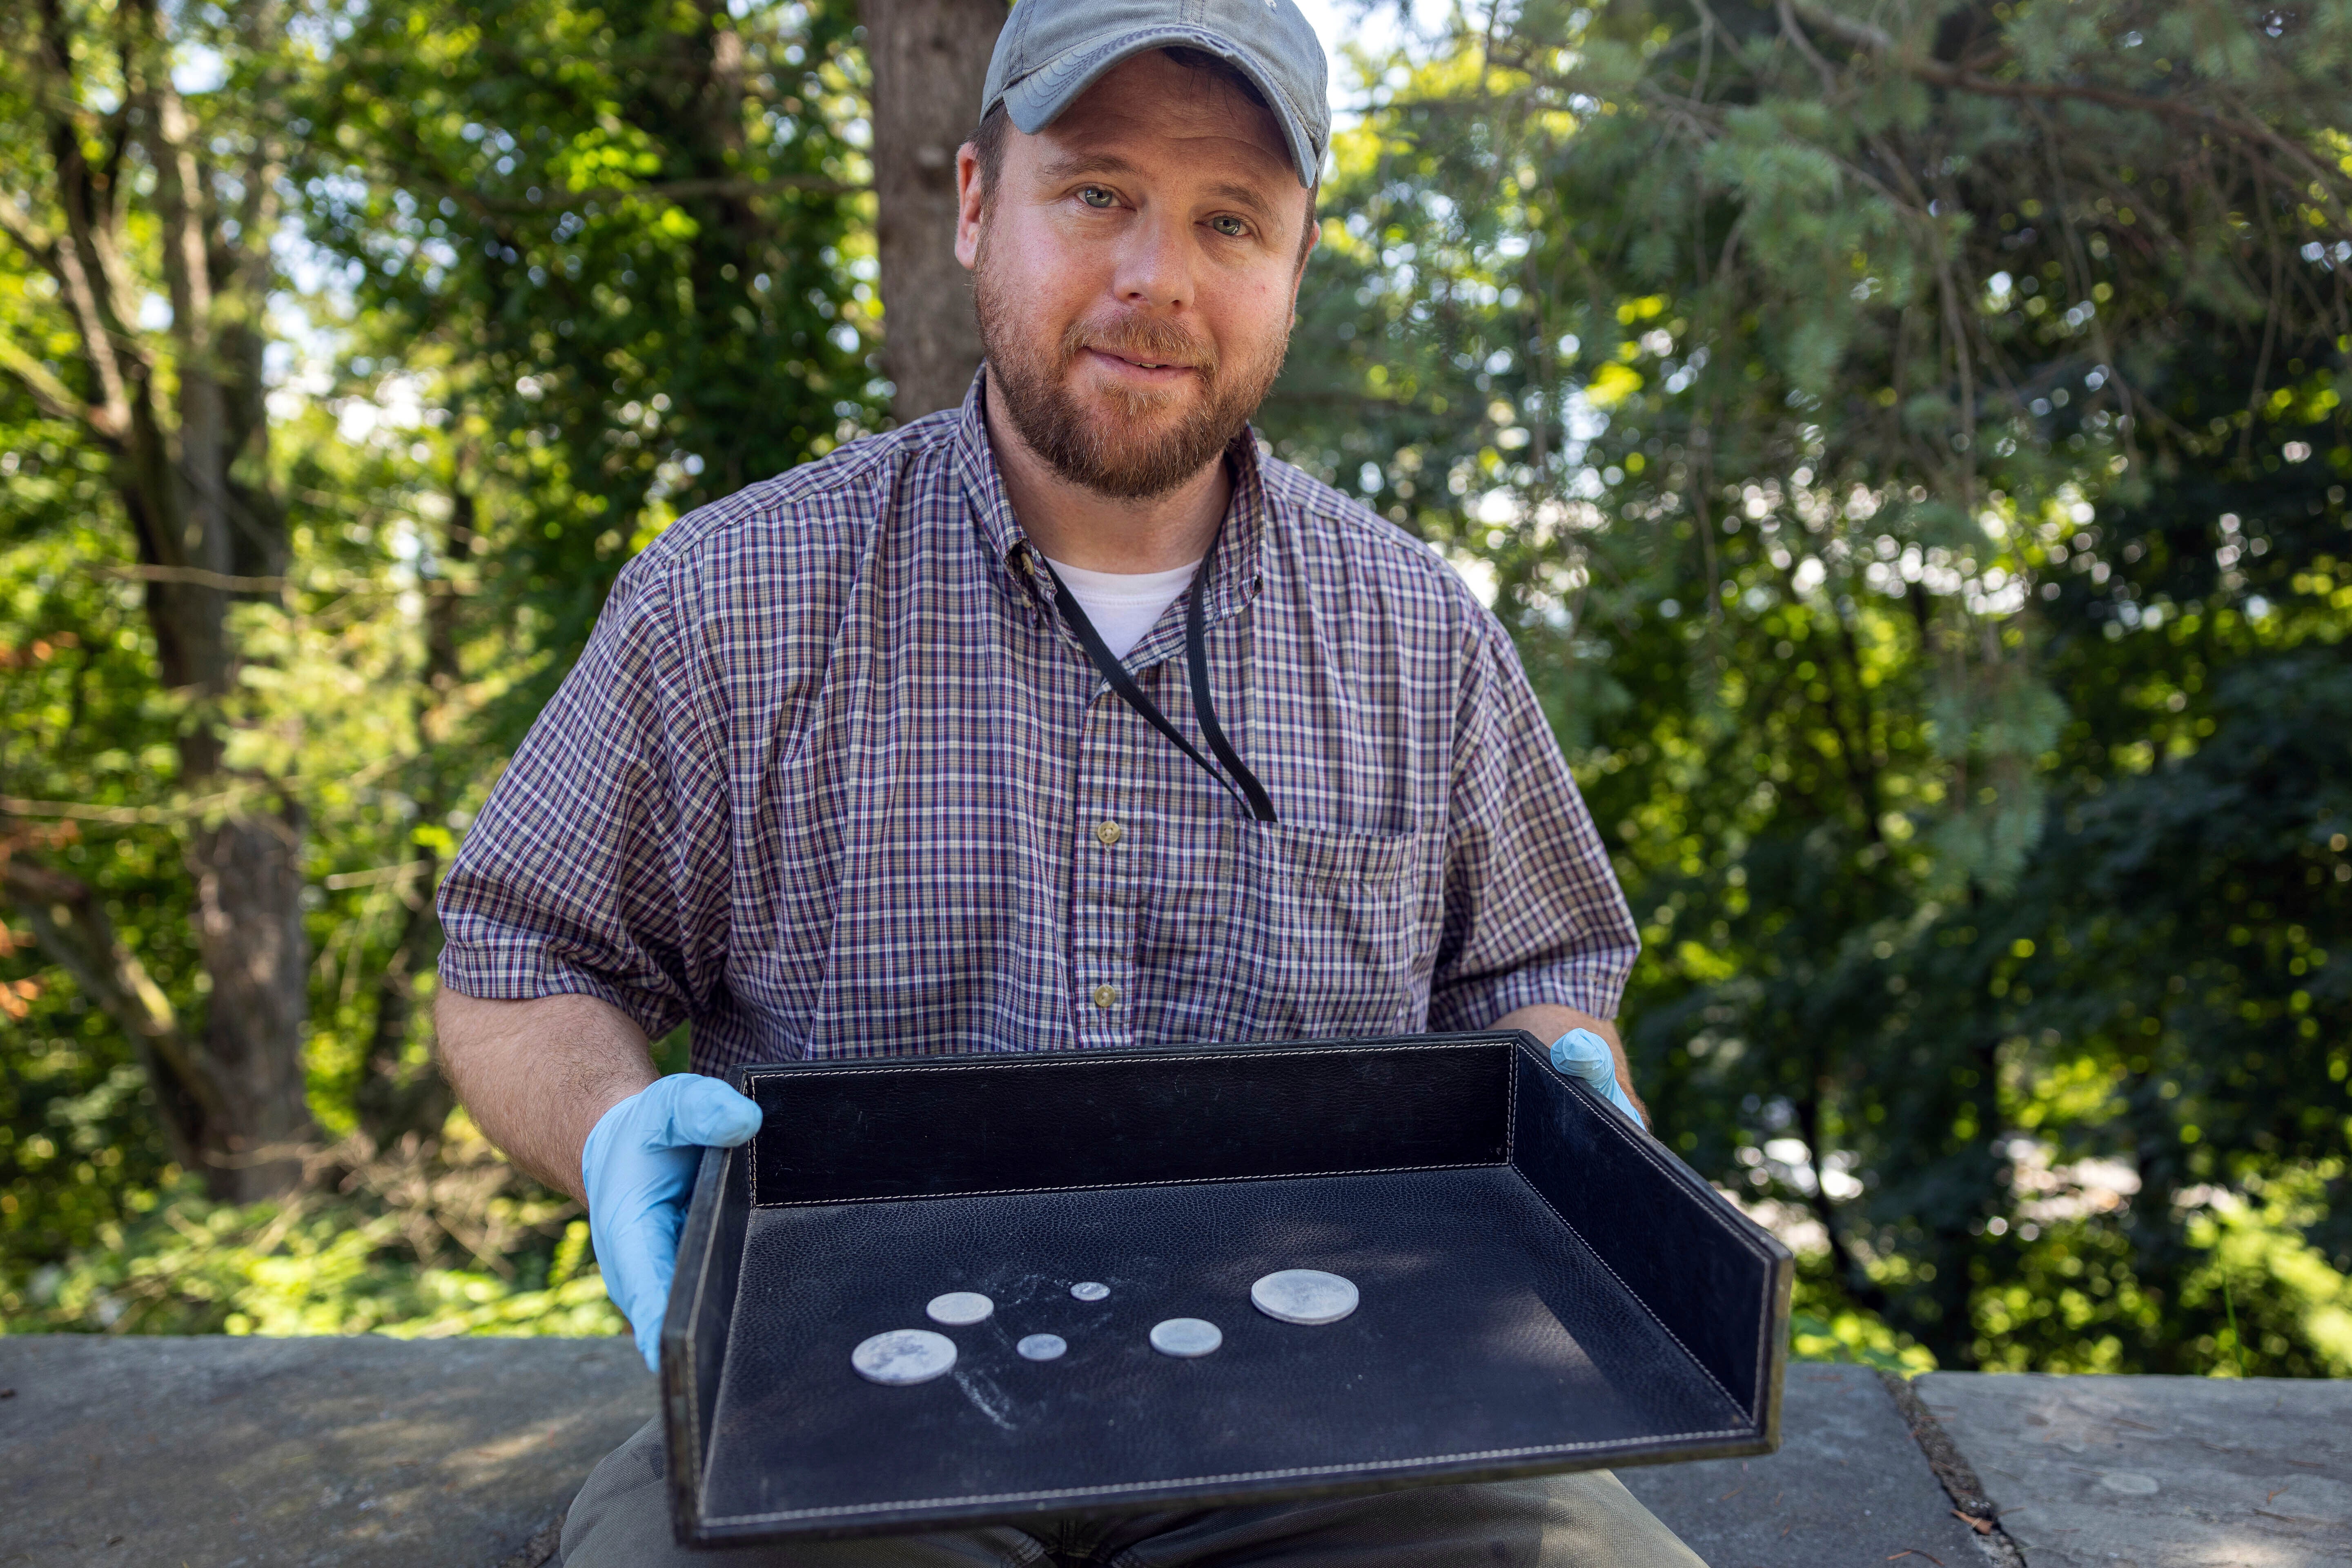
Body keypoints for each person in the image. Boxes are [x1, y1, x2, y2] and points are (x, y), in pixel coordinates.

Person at [433, 0, 1696, 1562]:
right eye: (1096, 191)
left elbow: (1536, 980)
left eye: (1231, 220)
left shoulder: (1418, 631)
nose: (1156, 276)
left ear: (1295, 269)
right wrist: (611, 1125)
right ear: (976, 203)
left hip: (1353, 1414)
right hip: (837, 1415)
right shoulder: (728, 601)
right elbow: (516, 969)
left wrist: (1567, 1079)